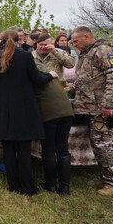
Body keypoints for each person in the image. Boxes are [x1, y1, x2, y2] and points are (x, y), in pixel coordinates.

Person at [0, 29, 57, 195]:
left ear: (2, 40)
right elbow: (37, 80)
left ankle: (13, 185)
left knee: (8, 148)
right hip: (23, 107)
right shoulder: (25, 57)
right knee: (24, 148)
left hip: (3, 107)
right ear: (18, 40)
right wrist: (50, 75)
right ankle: (27, 187)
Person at [71, 26, 113, 196]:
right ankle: (106, 177)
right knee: (98, 144)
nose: (74, 45)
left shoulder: (103, 50)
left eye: (76, 41)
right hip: (90, 106)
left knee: (104, 144)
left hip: (101, 107)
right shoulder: (87, 54)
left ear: (86, 36)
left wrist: (108, 103)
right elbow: (90, 78)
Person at [33, 60, 75, 195]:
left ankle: (51, 185)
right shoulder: (54, 77)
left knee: (49, 150)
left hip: (50, 115)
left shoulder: (35, 80)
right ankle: (64, 188)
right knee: (63, 149)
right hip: (67, 113)